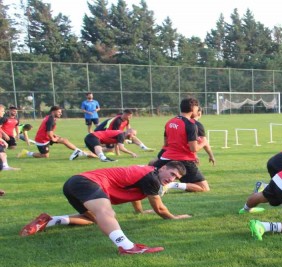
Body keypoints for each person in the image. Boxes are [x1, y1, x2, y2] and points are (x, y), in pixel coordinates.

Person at [19, 161, 190, 255]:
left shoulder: (150, 174)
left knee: (93, 219)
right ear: (163, 168)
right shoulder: (152, 179)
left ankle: (49, 221)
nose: (172, 179)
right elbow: (160, 209)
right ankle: (128, 247)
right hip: (87, 182)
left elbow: (136, 192)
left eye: (177, 178)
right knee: (107, 213)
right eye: (172, 173)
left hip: (74, 183)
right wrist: (174, 218)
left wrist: (139, 211)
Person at [153, 98, 209, 192]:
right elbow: (193, 149)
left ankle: (160, 183)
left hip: (166, 157)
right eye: (197, 108)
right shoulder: (191, 125)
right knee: (204, 188)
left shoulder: (170, 121)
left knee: (151, 170)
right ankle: (172, 185)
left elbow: (166, 143)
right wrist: (204, 142)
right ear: (193, 108)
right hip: (184, 160)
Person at [17, 106, 95, 161]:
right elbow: (48, 131)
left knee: (64, 140)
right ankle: (26, 153)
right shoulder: (51, 119)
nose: (60, 113)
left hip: (46, 137)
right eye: (59, 112)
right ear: (53, 111)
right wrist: (53, 138)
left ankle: (79, 151)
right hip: (42, 140)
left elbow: (47, 130)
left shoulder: (50, 117)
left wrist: (54, 136)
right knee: (45, 156)